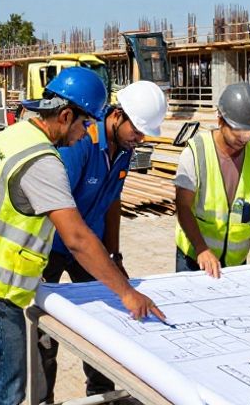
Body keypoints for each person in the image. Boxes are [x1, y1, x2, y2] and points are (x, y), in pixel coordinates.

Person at [0, 67, 164, 405]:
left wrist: (114, 255)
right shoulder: (45, 160)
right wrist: (127, 293)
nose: (85, 132)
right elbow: (75, 236)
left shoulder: (17, 134)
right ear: (64, 115)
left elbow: (108, 204)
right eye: (83, 124)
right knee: (4, 391)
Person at [39, 81, 168, 403]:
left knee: (105, 323)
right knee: (44, 333)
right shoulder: (80, 143)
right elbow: (62, 213)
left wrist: (115, 253)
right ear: (117, 115)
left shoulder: (124, 151)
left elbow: (113, 203)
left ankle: (103, 394)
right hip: (54, 248)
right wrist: (121, 285)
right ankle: (43, 399)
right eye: (137, 129)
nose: (140, 138)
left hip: (91, 246)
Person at [173, 82, 250, 276]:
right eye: (238, 131)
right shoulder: (196, 152)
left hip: (236, 262)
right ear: (220, 120)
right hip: (194, 258)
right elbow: (183, 206)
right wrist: (201, 249)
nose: (244, 138)